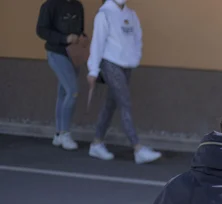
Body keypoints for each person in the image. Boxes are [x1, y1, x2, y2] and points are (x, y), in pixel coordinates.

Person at [86, 0, 161, 164]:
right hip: (110, 63)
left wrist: (135, 57)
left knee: (111, 104)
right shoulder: (104, 14)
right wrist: (93, 69)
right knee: (125, 103)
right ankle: (137, 148)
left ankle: (96, 143)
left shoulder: (131, 15)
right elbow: (97, 43)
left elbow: (137, 37)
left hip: (127, 65)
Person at [36, 0, 85, 151]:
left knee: (63, 93)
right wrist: (64, 39)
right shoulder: (50, 5)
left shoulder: (78, 6)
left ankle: (58, 134)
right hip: (56, 53)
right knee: (73, 91)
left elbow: (80, 29)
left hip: (73, 54)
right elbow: (41, 30)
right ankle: (65, 133)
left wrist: (82, 37)